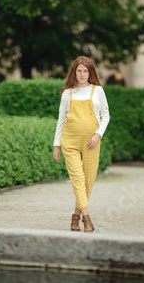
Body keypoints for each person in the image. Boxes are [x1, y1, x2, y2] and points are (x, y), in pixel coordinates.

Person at [53, 56, 110, 232]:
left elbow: (106, 115)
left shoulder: (98, 90)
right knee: (78, 179)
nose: (82, 74)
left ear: (90, 72)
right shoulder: (67, 93)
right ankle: (86, 218)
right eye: (79, 70)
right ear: (74, 72)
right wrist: (56, 145)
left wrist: (97, 134)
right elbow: (61, 119)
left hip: (91, 143)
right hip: (69, 142)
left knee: (88, 181)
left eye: (86, 71)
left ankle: (74, 217)